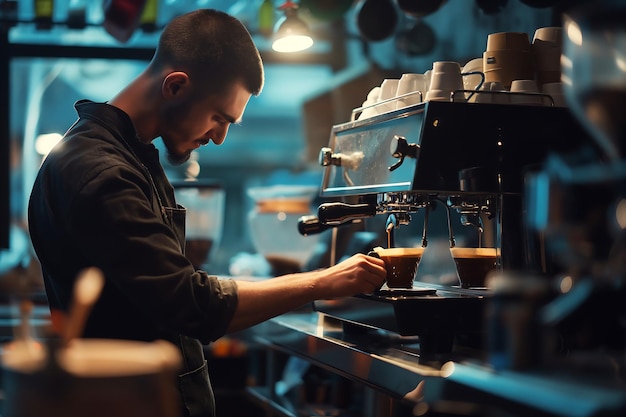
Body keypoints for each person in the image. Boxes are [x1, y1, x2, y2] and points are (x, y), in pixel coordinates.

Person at [27, 8, 387, 417]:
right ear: (176, 86)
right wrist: (322, 281)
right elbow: (190, 304)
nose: (219, 137)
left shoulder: (125, 156)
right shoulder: (102, 171)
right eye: (219, 117)